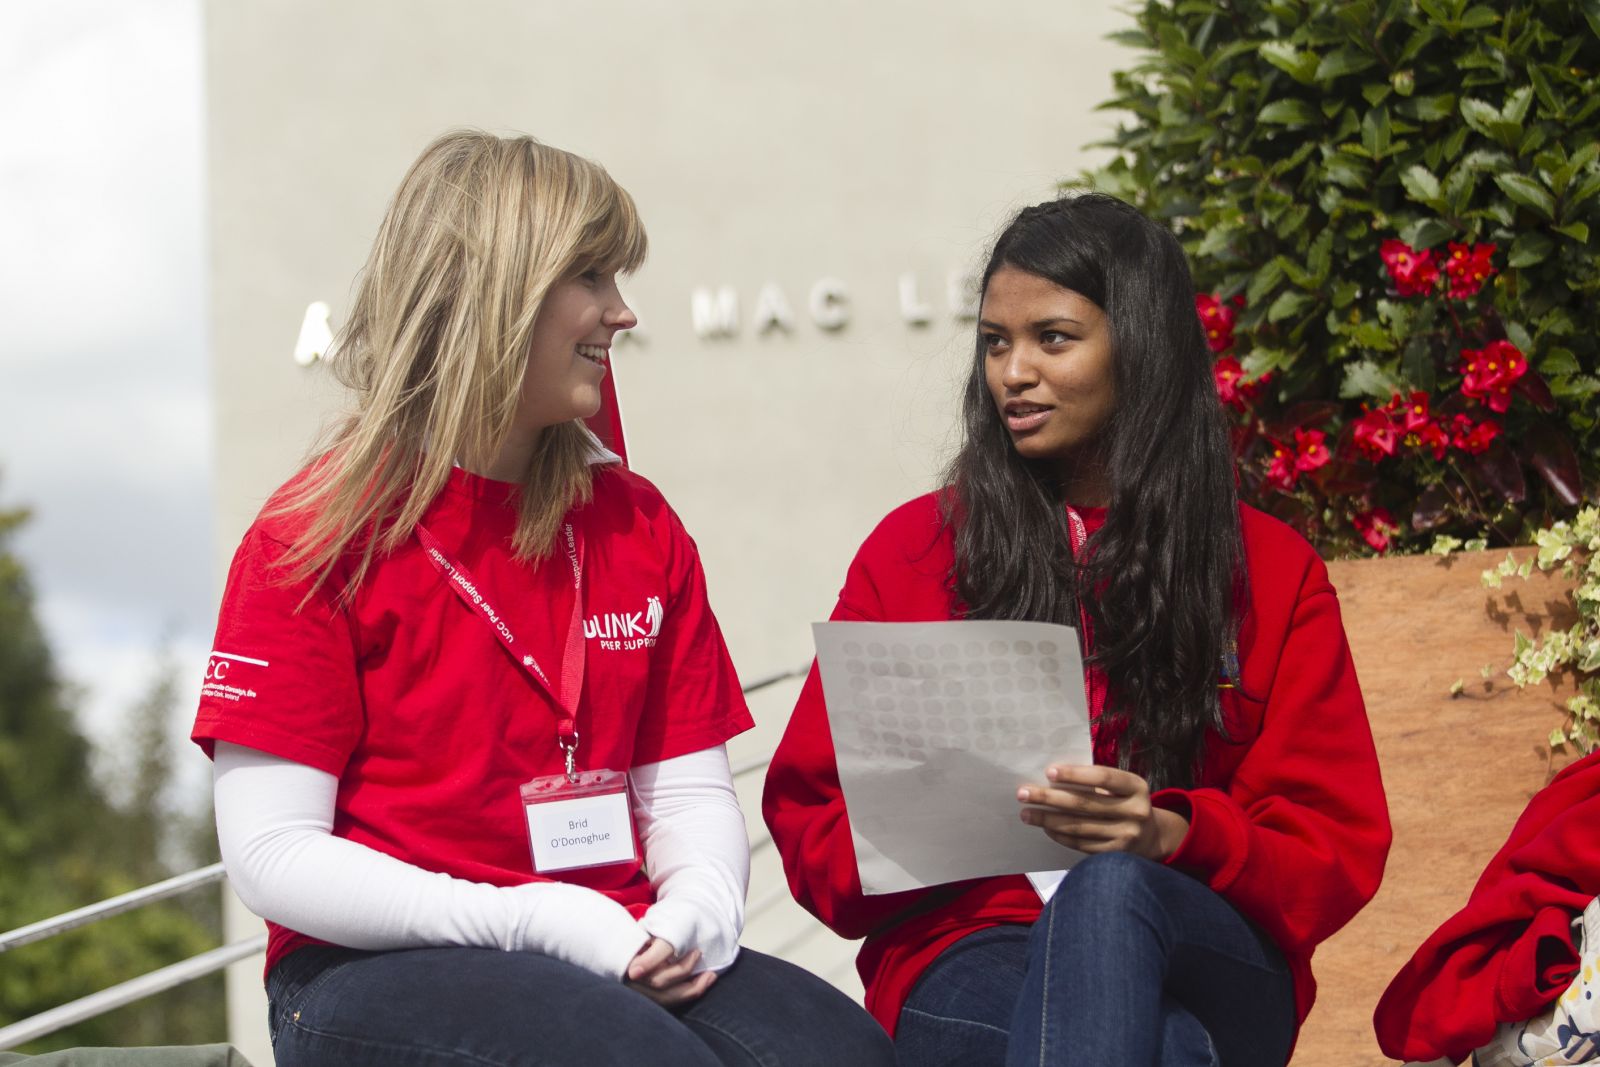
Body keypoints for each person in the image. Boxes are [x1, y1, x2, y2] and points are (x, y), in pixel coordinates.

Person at [192, 129, 895, 1067]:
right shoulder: (313, 537)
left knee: (844, 1053)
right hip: (373, 967)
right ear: (496, 292)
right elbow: (273, 856)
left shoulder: (636, 524)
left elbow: (686, 792)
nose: (623, 314)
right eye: (593, 279)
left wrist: (700, 910)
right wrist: (535, 917)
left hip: (615, 938)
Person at [761, 193, 1393, 1067]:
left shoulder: (1269, 568)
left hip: (1205, 939)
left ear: (1140, 345)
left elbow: (1333, 848)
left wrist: (1170, 833)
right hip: (970, 943)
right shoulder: (913, 551)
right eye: (993, 342)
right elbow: (809, 819)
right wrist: (921, 821)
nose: (1013, 371)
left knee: (1110, 889)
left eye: (1052, 338)